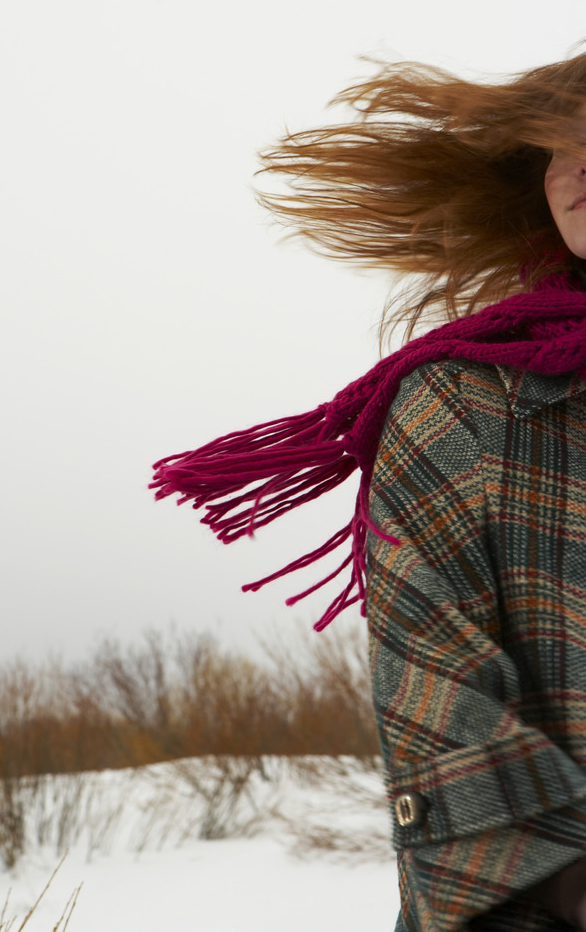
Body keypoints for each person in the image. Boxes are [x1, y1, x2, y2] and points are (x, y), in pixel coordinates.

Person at [151, 50, 586, 930]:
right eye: (557, 144)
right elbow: (433, 684)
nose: (575, 164)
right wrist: (548, 893)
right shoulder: (464, 402)